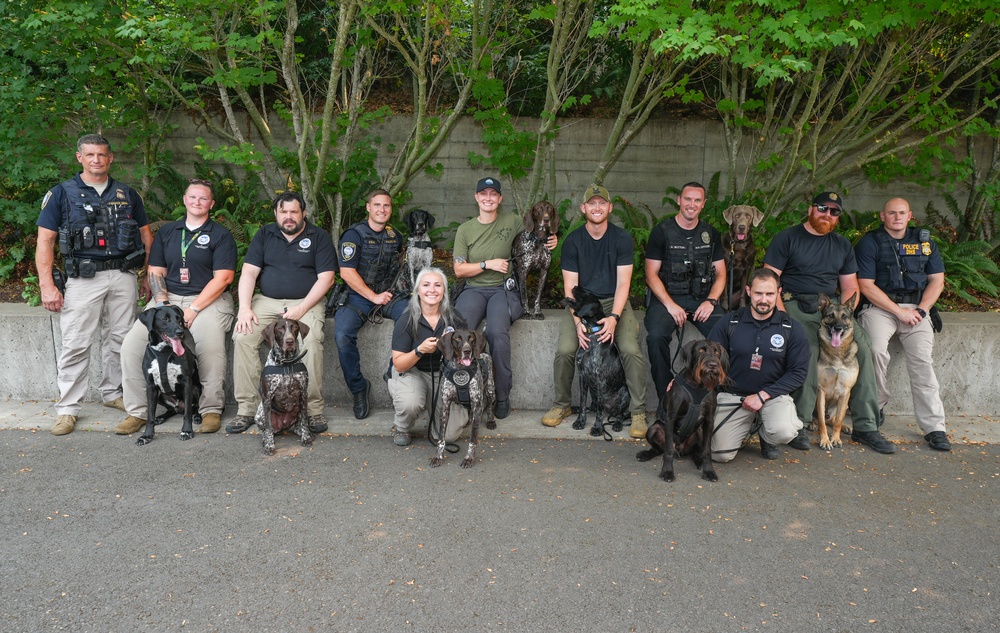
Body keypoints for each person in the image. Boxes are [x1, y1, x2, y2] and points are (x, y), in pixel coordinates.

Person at [35, 133, 153, 435]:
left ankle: (114, 393)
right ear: (79, 158)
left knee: (123, 340)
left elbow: (146, 236)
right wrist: (47, 286)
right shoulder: (61, 194)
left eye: (101, 155)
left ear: (110, 158)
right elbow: (45, 240)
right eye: (90, 155)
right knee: (76, 342)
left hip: (123, 275)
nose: (96, 160)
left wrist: (148, 277)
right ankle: (67, 408)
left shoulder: (128, 193)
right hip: (83, 279)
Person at [763, 191, 895, 454]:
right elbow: (770, 279)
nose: (828, 215)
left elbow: (848, 286)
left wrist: (845, 313)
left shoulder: (842, 245)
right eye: (823, 209)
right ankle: (799, 423)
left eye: (835, 212)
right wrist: (782, 316)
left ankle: (866, 425)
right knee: (810, 348)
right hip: (793, 303)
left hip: (831, 308)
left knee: (865, 347)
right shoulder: (787, 238)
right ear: (811, 209)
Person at [115, 179, 237, 435]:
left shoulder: (221, 235)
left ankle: (210, 410)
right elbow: (156, 270)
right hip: (168, 299)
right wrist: (162, 304)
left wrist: (193, 309)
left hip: (208, 300)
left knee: (210, 346)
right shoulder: (169, 232)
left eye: (203, 198)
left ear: (211, 204)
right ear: (184, 199)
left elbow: (224, 278)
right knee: (131, 347)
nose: (197, 202)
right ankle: (137, 412)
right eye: (193, 197)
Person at [227, 192, 337, 435]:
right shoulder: (265, 235)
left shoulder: (318, 237)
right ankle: (248, 408)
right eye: (283, 212)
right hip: (267, 301)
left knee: (312, 340)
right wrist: (244, 308)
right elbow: (248, 273)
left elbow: (326, 278)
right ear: (276, 214)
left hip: (305, 301)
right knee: (243, 337)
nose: (288, 217)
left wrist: (301, 308)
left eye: (294, 212)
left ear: (303, 213)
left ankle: (312, 409)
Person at [541, 185, 648, 436]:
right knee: (566, 349)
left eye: (602, 203)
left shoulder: (621, 238)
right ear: (583, 208)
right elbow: (570, 286)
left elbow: (624, 283)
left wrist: (614, 318)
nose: (597, 208)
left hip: (614, 302)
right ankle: (562, 405)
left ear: (610, 208)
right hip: (583, 306)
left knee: (630, 350)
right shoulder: (573, 241)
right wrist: (578, 322)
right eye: (592, 204)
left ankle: (638, 412)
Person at [453, 177, 556, 419]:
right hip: (473, 289)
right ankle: (463, 390)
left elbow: (537, 232)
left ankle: (501, 395)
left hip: (502, 290)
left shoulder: (512, 222)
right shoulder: (465, 230)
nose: (488, 198)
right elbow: (459, 270)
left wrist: (553, 238)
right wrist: (486, 263)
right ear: (476, 197)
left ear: (499, 198)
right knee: (460, 332)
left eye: (493, 194)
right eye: (483, 194)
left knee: (497, 333)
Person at [854, 198, 951, 451]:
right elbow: (865, 285)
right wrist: (898, 312)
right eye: (891, 213)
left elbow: (937, 281)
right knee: (874, 350)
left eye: (901, 213)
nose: (897, 217)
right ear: (882, 216)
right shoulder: (869, 242)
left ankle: (935, 427)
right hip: (880, 309)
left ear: (910, 216)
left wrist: (921, 310)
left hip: (917, 309)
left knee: (922, 361)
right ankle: (877, 406)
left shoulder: (925, 242)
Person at [707, 268, 810, 461]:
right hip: (734, 395)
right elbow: (707, 360)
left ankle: (766, 435)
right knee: (719, 455)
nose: (764, 300)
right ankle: (746, 423)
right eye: (758, 293)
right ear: (748, 291)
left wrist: (762, 396)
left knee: (784, 431)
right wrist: (680, 380)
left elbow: (798, 372)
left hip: (773, 396)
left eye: (770, 294)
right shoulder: (729, 322)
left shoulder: (791, 328)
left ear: (779, 293)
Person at [644, 181, 726, 403]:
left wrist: (711, 301)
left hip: (702, 300)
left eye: (697, 200)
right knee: (656, 337)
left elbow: (721, 274)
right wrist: (670, 305)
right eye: (687, 199)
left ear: (703, 204)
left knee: (731, 334)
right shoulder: (662, 232)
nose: (692, 204)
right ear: (679, 200)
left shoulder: (711, 233)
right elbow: (651, 274)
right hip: (667, 299)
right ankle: (666, 399)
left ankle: (720, 397)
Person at [334, 189, 407, 420]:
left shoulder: (395, 235)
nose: (382, 210)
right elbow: (346, 273)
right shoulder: (353, 236)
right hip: (359, 296)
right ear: (368, 207)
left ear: (391, 209)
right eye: (377, 205)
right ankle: (358, 388)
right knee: (343, 334)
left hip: (389, 294)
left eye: (386, 206)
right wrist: (373, 297)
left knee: (413, 316)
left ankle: (393, 371)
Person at [386, 267, 467, 446]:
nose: (432, 290)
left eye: (438, 285)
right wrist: (419, 350)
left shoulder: (454, 318)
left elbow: (466, 355)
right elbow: (399, 364)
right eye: (426, 285)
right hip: (412, 371)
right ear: (417, 291)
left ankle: (453, 410)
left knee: (449, 435)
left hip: (443, 374)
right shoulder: (406, 319)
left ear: (444, 291)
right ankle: (402, 426)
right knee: (411, 402)